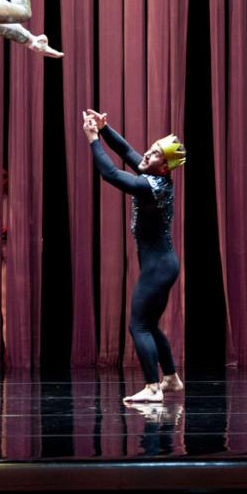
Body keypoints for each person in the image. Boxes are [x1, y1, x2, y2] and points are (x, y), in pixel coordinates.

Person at [82, 109, 187, 404]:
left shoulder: (149, 186)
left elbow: (110, 174)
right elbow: (127, 151)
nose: (147, 154)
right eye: (152, 148)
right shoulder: (153, 174)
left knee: (138, 325)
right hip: (163, 264)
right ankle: (170, 378)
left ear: (164, 168)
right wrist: (105, 128)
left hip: (158, 267)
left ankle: (153, 388)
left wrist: (92, 139)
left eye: (154, 154)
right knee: (149, 324)